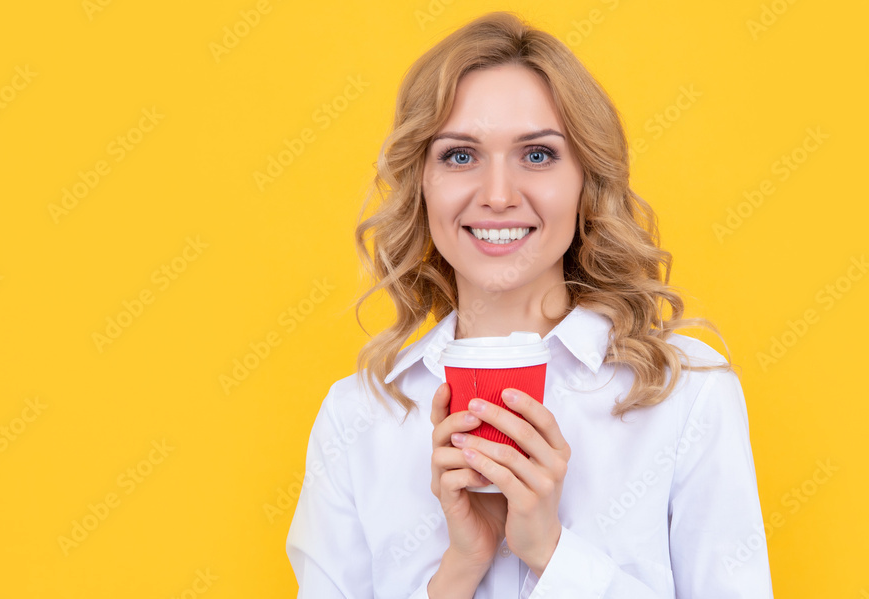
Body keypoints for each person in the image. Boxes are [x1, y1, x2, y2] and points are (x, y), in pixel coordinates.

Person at [286, 10, 773, 598]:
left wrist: (550, 549)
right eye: (460, 156)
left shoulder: (686, 394)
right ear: (422, 184)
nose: (497, 196)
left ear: (585, 182)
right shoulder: (358, 417)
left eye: (537, 155)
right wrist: (463, 563)